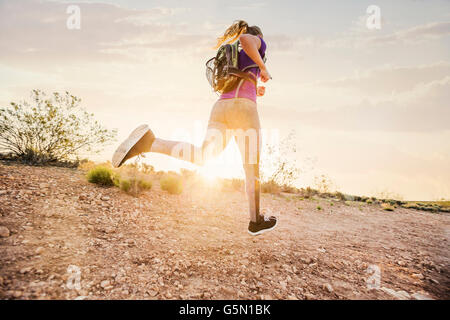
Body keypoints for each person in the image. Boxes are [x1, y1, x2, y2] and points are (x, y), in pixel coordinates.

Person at [112, 20, 277, 236]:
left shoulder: (232, 52)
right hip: (244, 110)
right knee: (251, 167)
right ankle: (255, 220)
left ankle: (150, 142)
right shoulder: (256, 40)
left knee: (203, 156)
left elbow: (240, 75)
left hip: (221, 108)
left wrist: (256, 86)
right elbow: (247, 40)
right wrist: (263, 67)